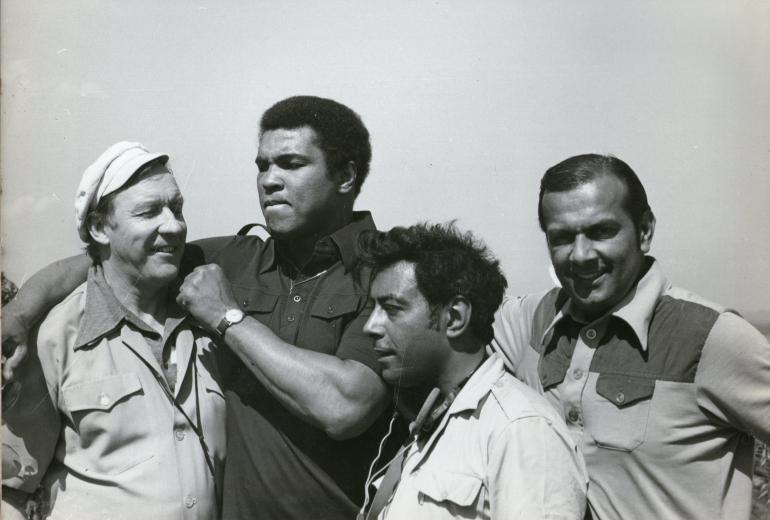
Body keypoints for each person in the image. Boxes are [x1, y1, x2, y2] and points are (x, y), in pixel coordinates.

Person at [1, 96, 392, 519]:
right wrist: (19, 315)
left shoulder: (390, 274)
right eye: (262, 166)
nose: (269, 180)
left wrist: (228, 317)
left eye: (291, 164)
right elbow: (111, 257)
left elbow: (346, 407)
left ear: (346, 176)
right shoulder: (239, 258)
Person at [492, 154, 770, 520]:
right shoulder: (533, 321)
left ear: (644, 231)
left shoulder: (710, 336)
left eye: (601, 231)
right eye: (561, 237)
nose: (581, 255)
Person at [1, 142, 226, 520]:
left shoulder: (209, 320)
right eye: (150, 211)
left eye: (177, 208)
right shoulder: (52, 338)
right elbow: (10, 490)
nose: (174, 225)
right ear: (99, 228)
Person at [357, 222, 588, 520]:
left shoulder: (519, 429)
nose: (370, 327)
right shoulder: (429, 420)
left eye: (391, 309)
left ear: (454, 317)